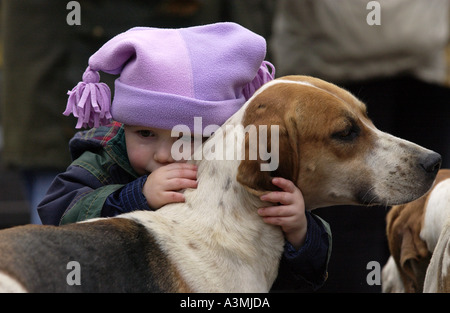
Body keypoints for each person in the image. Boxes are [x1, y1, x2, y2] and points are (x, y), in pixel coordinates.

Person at [37, 23, 331, 291]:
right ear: (123, 127)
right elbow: (58, 215)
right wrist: (134, 196)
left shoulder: (246, 166)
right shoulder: (105, 160)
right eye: (145, 134)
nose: (165, 155)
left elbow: (307, 273)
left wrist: (301, 231)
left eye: (188, 138)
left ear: (220, 135)